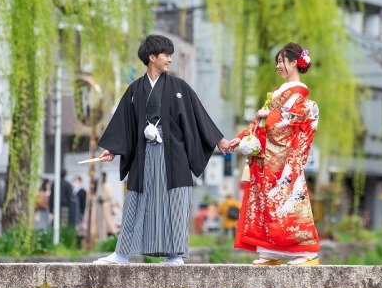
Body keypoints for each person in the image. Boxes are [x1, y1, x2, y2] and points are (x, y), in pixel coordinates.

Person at [94, 34, 232, 265]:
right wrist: (112, 149)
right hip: (143, 155)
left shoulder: (179, 87)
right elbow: (124, 123)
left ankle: (175, 255)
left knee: (175, 201)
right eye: (166, 55)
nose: (170, 59)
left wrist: (220, 141)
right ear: (152, 57)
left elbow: (198, 115)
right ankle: (121, 254)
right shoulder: (135, 90)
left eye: (170, 55)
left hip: (173, 156)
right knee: (136, 201)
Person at [228, 42, 320, 266]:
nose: (278, 66)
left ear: (293, 63)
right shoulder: (281, 92)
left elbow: (291, 119)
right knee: (264, 204)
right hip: (265, 157)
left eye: (282, 61)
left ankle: (306, 253)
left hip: (283, 161)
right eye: (277, 62)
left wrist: (269, 114)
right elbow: (259, 122)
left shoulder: (298, 92)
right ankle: (269, 251)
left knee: (287, 204)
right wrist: (240, 138)